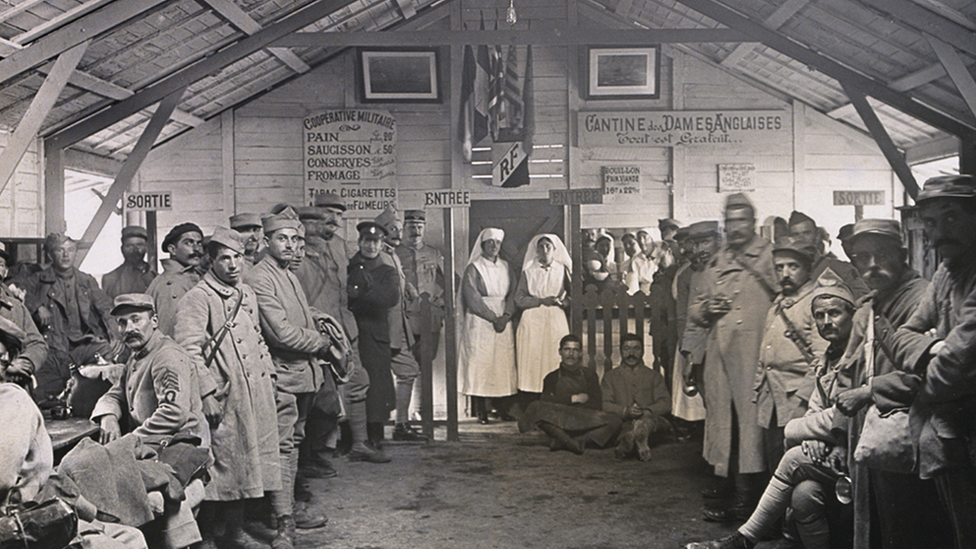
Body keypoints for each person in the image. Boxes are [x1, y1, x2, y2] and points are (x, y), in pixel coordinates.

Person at [686, 273, 860, 549]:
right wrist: (814, 436)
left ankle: (743, 541)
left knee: (792, 457)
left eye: (835, 314)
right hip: (833, 452)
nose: (827, 322)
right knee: (804, 495)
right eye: (820, 315)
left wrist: (795, 430)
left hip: (857, 457)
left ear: (852, 314)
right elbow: (817, 405)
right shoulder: (830, 354)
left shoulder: (858, 355)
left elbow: (845, 413)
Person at [831, 218, 951, 549]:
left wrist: (870, 392)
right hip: (867, 435)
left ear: (901, 254)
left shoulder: (922, 299)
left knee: (912, 527)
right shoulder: (868, 306)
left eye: (881, 255)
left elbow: (930, 371)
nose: (871, 265)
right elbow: (847, 373)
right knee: (875, 525)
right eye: (862, 258)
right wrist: (840, 437)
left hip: (907, 430)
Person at [882, 175, 976, 549]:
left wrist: (931, 356)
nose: (939, 233)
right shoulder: (944, 271)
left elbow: (952, 371)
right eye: (932, 222)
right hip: (948, 432)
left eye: (951, 218)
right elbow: (900, 335)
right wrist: (933, 349)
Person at [0, 316, 148, 549]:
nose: (7, 361)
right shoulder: (10, 398)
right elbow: (3, 479)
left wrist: (90, 513)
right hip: (19, 527)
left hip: (23, 519)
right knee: (129, 540)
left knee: (126, 534)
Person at [174, 227, 281, 549]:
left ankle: (235, 533)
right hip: (225, 392)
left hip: (255, 390)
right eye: (224, 259)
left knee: (248, 464)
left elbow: (259, 338)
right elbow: (188, 349)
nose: (233, 265)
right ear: (211, 262)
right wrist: (206, 393)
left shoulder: (246, 294)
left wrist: (270, 377)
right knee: (222, 466)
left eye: (237, 258)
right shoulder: (198, 297)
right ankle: (209, 537)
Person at [244, 207, 335, 548]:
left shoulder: (288, 274)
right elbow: (281, 334)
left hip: (302, 376)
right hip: (282, 377)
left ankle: (280, 511)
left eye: (295, 239)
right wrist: (322, 342)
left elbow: (298, 318)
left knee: (292, 445)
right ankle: (283, 522)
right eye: (282, 239)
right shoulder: (260, 277)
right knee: (281, 447)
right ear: (267, 241)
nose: (291, 245)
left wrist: (317, 320)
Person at [91, 293, 209, 549]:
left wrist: (129, 442)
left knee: (147, 492)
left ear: (153, 320)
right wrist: (108, 414)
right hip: (156, 443)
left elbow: (173, 413)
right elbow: (118, 392)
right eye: (122, 323)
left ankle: (182, 544)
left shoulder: (166, 356)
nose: (129, 328)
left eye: (136, 319)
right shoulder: (137, 353)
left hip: (182, 443)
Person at [689, 193, 776, 521]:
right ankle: (731, 492)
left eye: (742, 220)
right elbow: (696, 308)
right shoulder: (717, 261)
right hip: (722, 359)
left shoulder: (769, 257)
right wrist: (705, 309)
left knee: (753, 430)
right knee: (726, 426)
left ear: (753, 222)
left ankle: (749, 503)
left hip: (756, 356)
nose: (736, 227)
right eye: (730, 221)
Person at [294, 192, 387, 467]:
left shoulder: (340, 246)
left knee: (358, 381)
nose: (331, 219)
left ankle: (358, 443)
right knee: (320, 397)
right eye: (326, 213)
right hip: (316, 331)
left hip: (344, 327)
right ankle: (316, 454)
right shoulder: (297, 250)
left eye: (337, 214)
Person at [751, 238, 827, 485]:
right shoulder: (778, 304)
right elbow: (766, 352)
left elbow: (822, 361)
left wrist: (802, 402)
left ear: (807, 268)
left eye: (792, 267)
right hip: (772, 401)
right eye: (779, 267)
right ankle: (781, 521)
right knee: (776, 468)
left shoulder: (817, 302)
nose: (785, 273)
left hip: (798, 404)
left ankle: (794, 522)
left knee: (797, 470)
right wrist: (757, 389)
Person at [20, 233, 116, 401]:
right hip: (52, 348)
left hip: (81, 345)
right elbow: (16, 292)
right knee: (46, 397)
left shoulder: (86, 280)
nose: (66, 255)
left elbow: (106, 308)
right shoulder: (37, 279)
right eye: (60, 250)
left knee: (106, 356)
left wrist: (116, 336)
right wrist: (37, 307)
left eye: (70, 250)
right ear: (50, 255)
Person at [519, 334, 621, 454]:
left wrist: (578, 412)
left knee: (615, 421)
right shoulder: (551, 377)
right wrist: (573, 399)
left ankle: (566, 440)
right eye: (567, 349)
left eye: (575, 350)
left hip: (583, 418)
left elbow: (597, 403)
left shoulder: (589, 375)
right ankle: (570, 441)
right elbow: (545, 400)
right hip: (559, 419)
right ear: (560, 352)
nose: (571, 354)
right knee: (536, 407)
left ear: (580, 353)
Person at [375, 208, 427, 442]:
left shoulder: (393, 255)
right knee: (377, 379)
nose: (396, 232)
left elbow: (399, 283)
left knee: (408, 371)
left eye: (398, 228)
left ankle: (400, 425)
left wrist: (410, 290)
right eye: (391, 228)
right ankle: (380, 429)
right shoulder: (378, 256)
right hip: (382, 328)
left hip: (398, 326)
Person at [348, 220, 400, 447]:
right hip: (352, 331)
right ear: (359, 242)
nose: (371, 246)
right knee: (353, 383)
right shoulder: (349, 266)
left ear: (381, 244)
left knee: (377, 386)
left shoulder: (387, 271)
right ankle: (353, 437)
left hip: (376, 334)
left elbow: (388, 299)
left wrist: (360, 294)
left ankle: (376, 435)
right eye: (367, 241)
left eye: (375, 241)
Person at [459, 228, 517, 424]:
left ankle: (502, 408)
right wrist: (493, 318)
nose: (494, 246)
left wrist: (506, 315)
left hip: (503, 318)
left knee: (501, 363)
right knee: (480, 364)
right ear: (483, 245)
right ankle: (481, 410)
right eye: (490, 242)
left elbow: (513, 294)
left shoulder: (506, 267)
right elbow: (472, 297)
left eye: (497, 243)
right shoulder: (474, 268)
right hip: (481, 320)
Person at [395, 209, 447, 422]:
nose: (415, 231)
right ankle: (403, 418)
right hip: (404, 319)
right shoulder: (395, 254)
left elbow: (449, 282)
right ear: (404, 228)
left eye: (419, 227)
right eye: (411, 227)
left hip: (429, 319)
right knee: (406, 368)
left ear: (424, 228)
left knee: (425, 365)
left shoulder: (434, 254)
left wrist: (441, 302)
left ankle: (422, 411)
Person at [514, 234, 571, 402]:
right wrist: (540, 301)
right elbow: (519, 299)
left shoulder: (562, 269)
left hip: (555, 317)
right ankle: (532, 400)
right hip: (533, 319)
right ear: (536, 250)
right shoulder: (528, 271)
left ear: (554, 250)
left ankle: (555, 398)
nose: (544, 250)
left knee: (553, 356)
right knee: (533, 358)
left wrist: (563, 302)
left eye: (548, 246)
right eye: (541, 247)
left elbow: (573, 295)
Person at [673, 221, 719, 427]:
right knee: (713, 408)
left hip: (734, 355)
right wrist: (690, 359)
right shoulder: (696, 276)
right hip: (704, 354)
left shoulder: (735, 271)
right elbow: (690, 320)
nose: (700, 250)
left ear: (719, 240)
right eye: (696, 244)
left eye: (706, 242)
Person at [601, 333, 671, 461]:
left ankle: (629, 441)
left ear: (643, 351)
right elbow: (605, 404)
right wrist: (625, 411)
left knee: (651, 422)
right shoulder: (610, 377)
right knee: (622, 428)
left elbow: (666, 403)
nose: (631, 353)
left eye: (636, 349)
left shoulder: (654, 376)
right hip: (624, 423)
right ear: (620, 351)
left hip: (653, 422)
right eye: (626, 349)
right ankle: (634, 438)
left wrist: (647, 411)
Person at [788, 211, 868, 298]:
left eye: (807, 233)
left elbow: (863, 296)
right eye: (795, 235)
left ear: (817, 236)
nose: (801, 239)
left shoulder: (840, 268)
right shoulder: (784, 271)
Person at [0, 242, 46, 392]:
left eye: (0, 264)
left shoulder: (16, 308)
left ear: (5, 272)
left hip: (12, 385)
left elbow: (38, 344)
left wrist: (25, 361)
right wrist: (7, 366)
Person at [146, 223, 205, 338]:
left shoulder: (193, 276)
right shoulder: (171, 285)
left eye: (199, 243)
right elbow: (169, 333)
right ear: (172, 249)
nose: (197, 249)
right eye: (188, 243)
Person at [101, 226, 156, 301]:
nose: (135, 249)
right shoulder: (110, 280)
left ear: (146, 248)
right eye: (129, 246)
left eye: (139, 245)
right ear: (122, 249)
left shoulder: (156, 278)